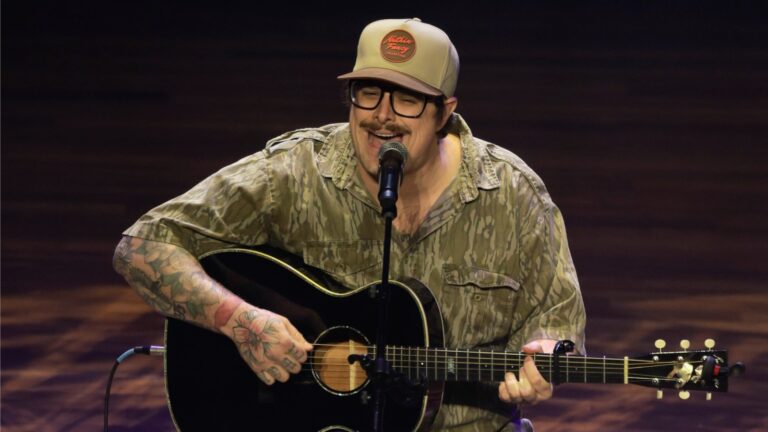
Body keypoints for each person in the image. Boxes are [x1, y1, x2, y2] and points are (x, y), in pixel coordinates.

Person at [113, 17, 586, 431]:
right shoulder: (295, 173)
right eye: (368, 93)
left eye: (408, 99)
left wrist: (545, 357)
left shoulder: (513, 194)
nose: (382, 116)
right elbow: (143, 246)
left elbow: (556, 324)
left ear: (445, 111)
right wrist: (240, 321)